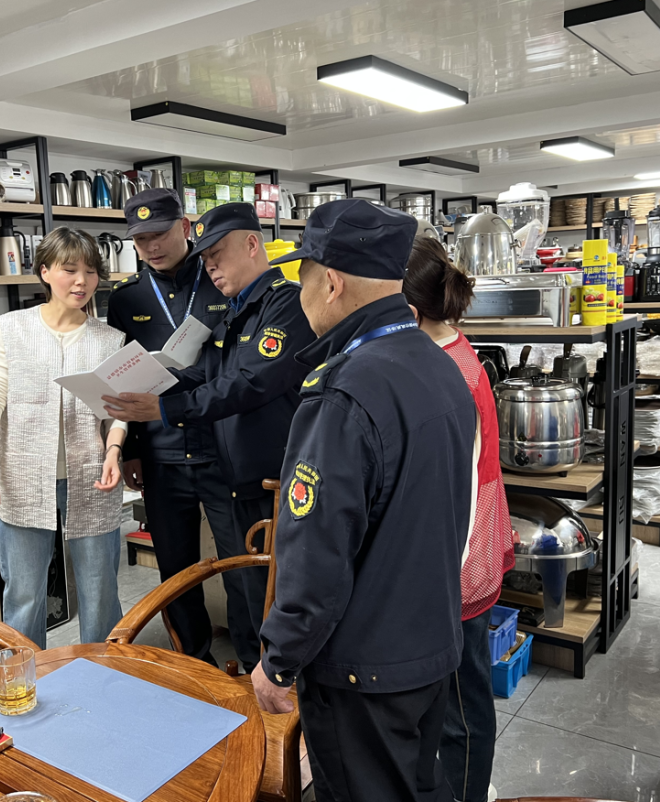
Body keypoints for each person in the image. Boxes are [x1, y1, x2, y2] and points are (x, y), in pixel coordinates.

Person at [253, 199, 477, 802]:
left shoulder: (344, 393)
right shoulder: (439, 365)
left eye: (303, 278)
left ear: (331, 282)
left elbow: (316, 554)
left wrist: (279, 660)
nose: (299, 295)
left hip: (364, 667)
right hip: (430, 645)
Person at [105, 202, 316, 672]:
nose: (211, 267)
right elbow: (205, 373)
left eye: (217, 254)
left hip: (259, 472)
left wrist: (164, 407)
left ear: (252, 244)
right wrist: (148, 386)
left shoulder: (284, 303)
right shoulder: (236, 311)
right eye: (204, 258)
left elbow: (249, 382)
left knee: (255, 580)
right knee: (200, 573)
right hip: (204, 463)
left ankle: (264, 675)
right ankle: (211, 671)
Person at [403, 237, 515, 802]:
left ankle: (468, 792)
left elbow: (451, 490)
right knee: (452, 694)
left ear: (408, 311)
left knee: (462, 706)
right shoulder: (447, 350)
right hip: (465, 545)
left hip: (460, 556)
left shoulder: (448, 373)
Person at [0, 227, 125, 648]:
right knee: (23, 593)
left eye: (91, 272)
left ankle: (103, 673)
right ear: (44, 271)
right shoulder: (14, 328)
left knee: (100, 590)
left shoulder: (109, 339)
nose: (82, 281)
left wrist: (114, 450)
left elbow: (117, 410)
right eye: (69, 270)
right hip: (21, 474)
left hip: (92, 476)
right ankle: (27, 677)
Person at [106, 188, 237, 666]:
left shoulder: (220, 278)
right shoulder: (126, 299)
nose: (152, 247)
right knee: (175, 571)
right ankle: (193, 663)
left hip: (223, 446)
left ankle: (252, 661)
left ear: (185, 227)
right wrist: (130, 450)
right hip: (161, 452)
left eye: (160, 234)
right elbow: (122, 376)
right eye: (141, 240)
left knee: (240, 563)